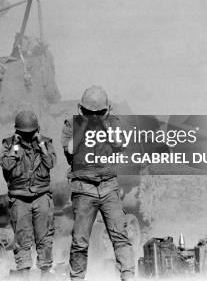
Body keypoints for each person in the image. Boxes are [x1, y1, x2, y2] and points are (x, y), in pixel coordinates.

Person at [61, 86, 134, 281]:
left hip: (108, 187)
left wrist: (105, 123)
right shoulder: (71, 124)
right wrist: (83, 124)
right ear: (80, 109)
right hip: (84, 189)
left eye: (99, 112)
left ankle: (129, 276)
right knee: (80, 241)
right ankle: (77, 278)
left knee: (120, 237)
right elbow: (70, 150)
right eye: (89, 112)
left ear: (107, 110)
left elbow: (120, 144)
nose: (94, 116)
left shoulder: (113, 123)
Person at [0, 110, 56, 281]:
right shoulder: (9, 145)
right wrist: (16, 146)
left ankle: (45, 275)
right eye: (24, 133)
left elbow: (51, 162)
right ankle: (24, 276)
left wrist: (41, 143)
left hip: (41, 196)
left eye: (31, 132)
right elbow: (7, 164)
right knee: (22, 241)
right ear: (17, 132)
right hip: (19, 199)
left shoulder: (45, 143)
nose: (28, 136)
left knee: (44, 239)